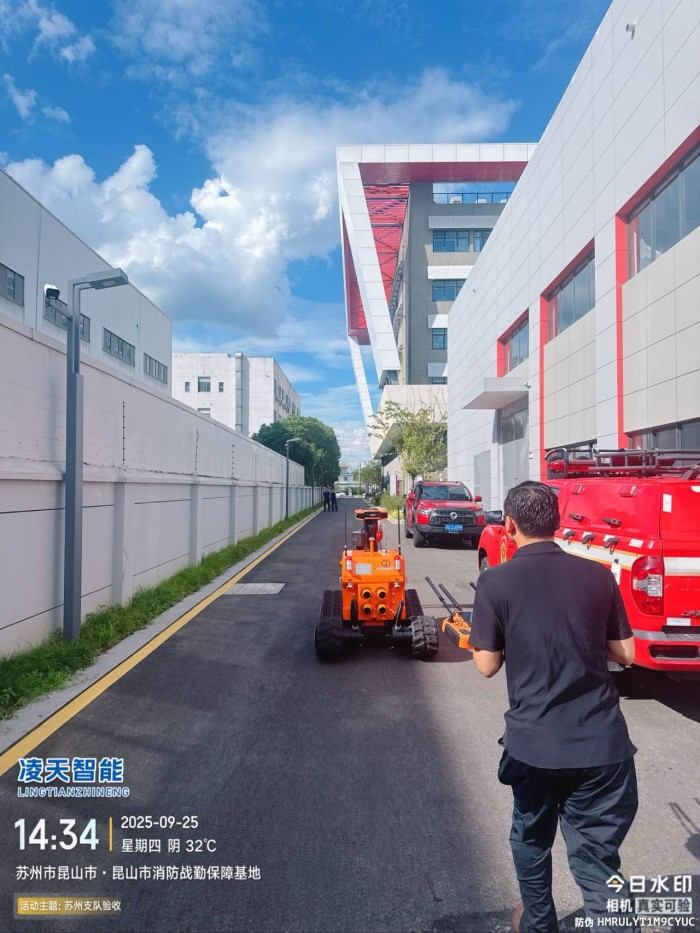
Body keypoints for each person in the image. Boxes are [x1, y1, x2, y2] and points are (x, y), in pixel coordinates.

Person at [470, 481, 638, 933]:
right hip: (602, 748)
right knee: (597, 861)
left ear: (509, 525)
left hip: (534, 749)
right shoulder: (597, 575)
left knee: (531, 841)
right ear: (558, 522)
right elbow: (625, 653)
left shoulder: (495, 581)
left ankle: (538, 923)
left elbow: (486, 665)